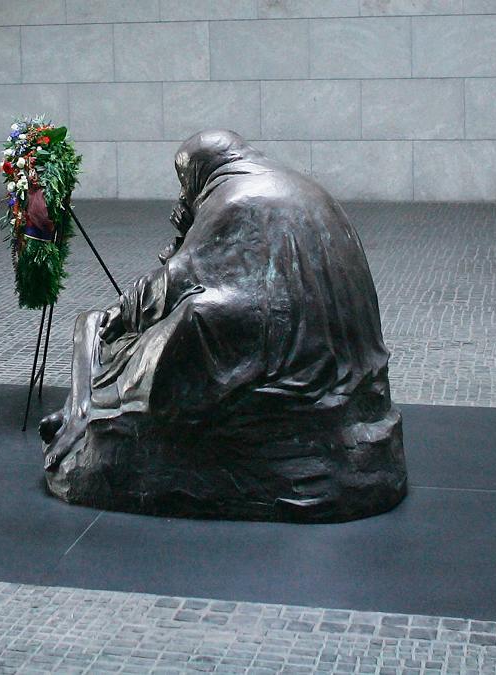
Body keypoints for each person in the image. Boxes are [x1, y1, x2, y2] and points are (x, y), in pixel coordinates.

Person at [39, 130, 405, 522]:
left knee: (118, 327)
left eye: (184, 185)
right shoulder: (292, 185)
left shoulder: (232, 198)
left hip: (293, 356)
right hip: (338, 357)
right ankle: (80, 412)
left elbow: (176, 281)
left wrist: (123, 309)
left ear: (199, 174)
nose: (182, 196)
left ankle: (88, 413)